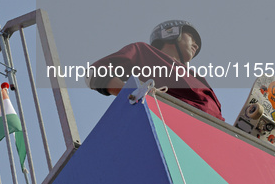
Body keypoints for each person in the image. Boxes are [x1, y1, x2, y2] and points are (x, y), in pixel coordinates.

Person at [88, 20, 224, 121]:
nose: (196, 44)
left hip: (213, 138)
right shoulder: (144, 52)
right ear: (171, 33)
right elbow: (95, 73)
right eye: (191, 38)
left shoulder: (198, 78)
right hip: (173, 127)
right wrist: (134, 95)